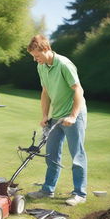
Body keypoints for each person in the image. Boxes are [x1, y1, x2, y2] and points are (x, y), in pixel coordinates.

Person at [26, 35, 87, 206]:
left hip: (74, 115)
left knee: (77, 155)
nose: (34, 59)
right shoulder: (42, 66)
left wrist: (73, 116)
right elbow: (45, 92)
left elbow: (78, 90)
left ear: (45, 49)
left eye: (36, 55)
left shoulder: (64, 64)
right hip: (56, 116)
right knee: (51, 154)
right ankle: (47, 190)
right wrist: (45, 115)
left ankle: (80, 194)